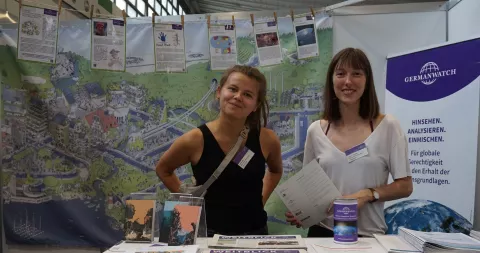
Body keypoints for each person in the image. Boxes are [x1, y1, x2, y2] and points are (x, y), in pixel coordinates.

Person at [286, 48, 413, 237]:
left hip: (369, 236)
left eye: (356, 74)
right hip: (323, 233)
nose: (348, 81)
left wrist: (368, 194)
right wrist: (304, 211)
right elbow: (310, 187)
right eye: (340, 74)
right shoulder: (316, 130)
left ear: (367, 81)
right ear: (331, 80)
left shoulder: (388, 127)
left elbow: (405, 186)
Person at [156, 65, 283, 236]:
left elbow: (275, 171)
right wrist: (187, 201)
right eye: (232, 89)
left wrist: (261, 200)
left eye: (247, 94)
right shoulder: (195, 140)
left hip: (254, 234)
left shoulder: (267, 140)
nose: (238, 97)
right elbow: (163, 169)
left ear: (255, 105)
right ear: (219, 92)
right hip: (206, 234)